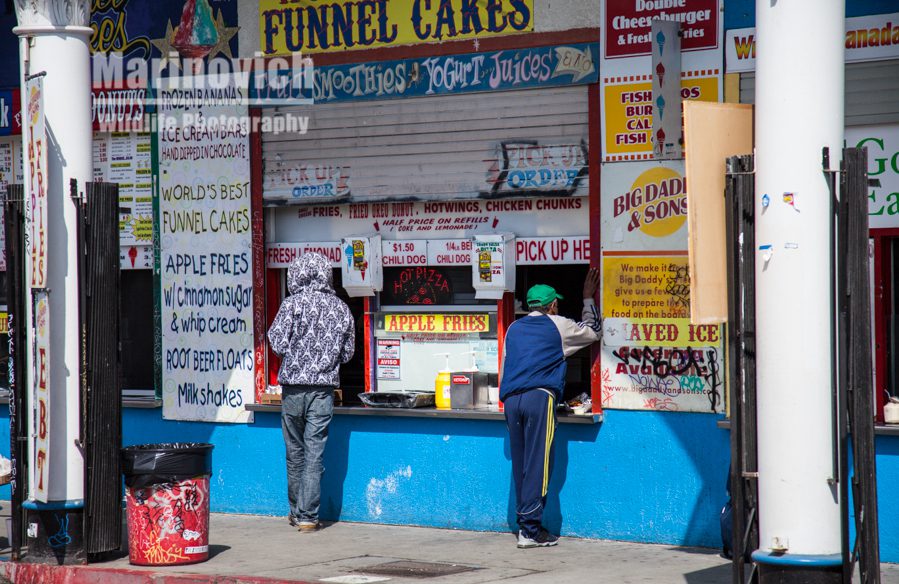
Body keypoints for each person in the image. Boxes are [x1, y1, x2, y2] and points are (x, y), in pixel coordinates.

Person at [500, 268, 601, 548]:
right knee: (539, 464)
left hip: (511, 400)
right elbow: (593, 333)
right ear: (552, 305)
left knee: (521, 464)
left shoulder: (513, 328)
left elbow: (505, 367)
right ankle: (530, 531)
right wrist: (587, 299)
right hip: (538, 397)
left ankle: (525, 525)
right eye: (556, 302)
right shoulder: (557, 324)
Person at [267, 252, 355, 533]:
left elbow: (277, 343)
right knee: (315, 453)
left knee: (295, 452)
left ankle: (296, 511)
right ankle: (308, 516)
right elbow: (348, 353)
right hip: (323, 391)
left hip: (293, 391)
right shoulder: (340, 308)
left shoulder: (291, 304)